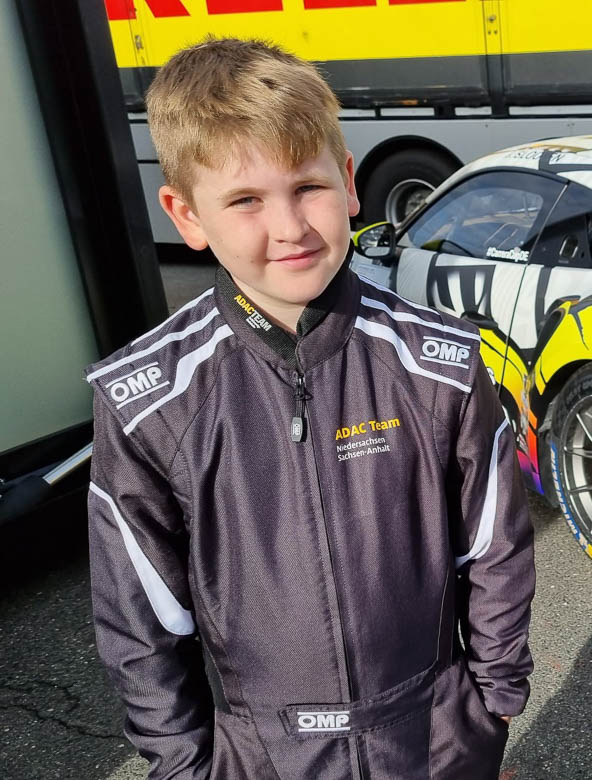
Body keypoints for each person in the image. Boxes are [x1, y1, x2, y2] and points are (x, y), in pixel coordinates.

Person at [85, 38, 534, 779]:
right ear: (186, 215)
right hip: (259, 752)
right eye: (245, 200)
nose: (290, 227)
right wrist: (182, 761)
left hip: (435, 734)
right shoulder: (149, 402)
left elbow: (493, 544)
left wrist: (494, 695)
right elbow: (141, 614)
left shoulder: (441, 363)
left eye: (307, 187)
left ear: (349, 183)